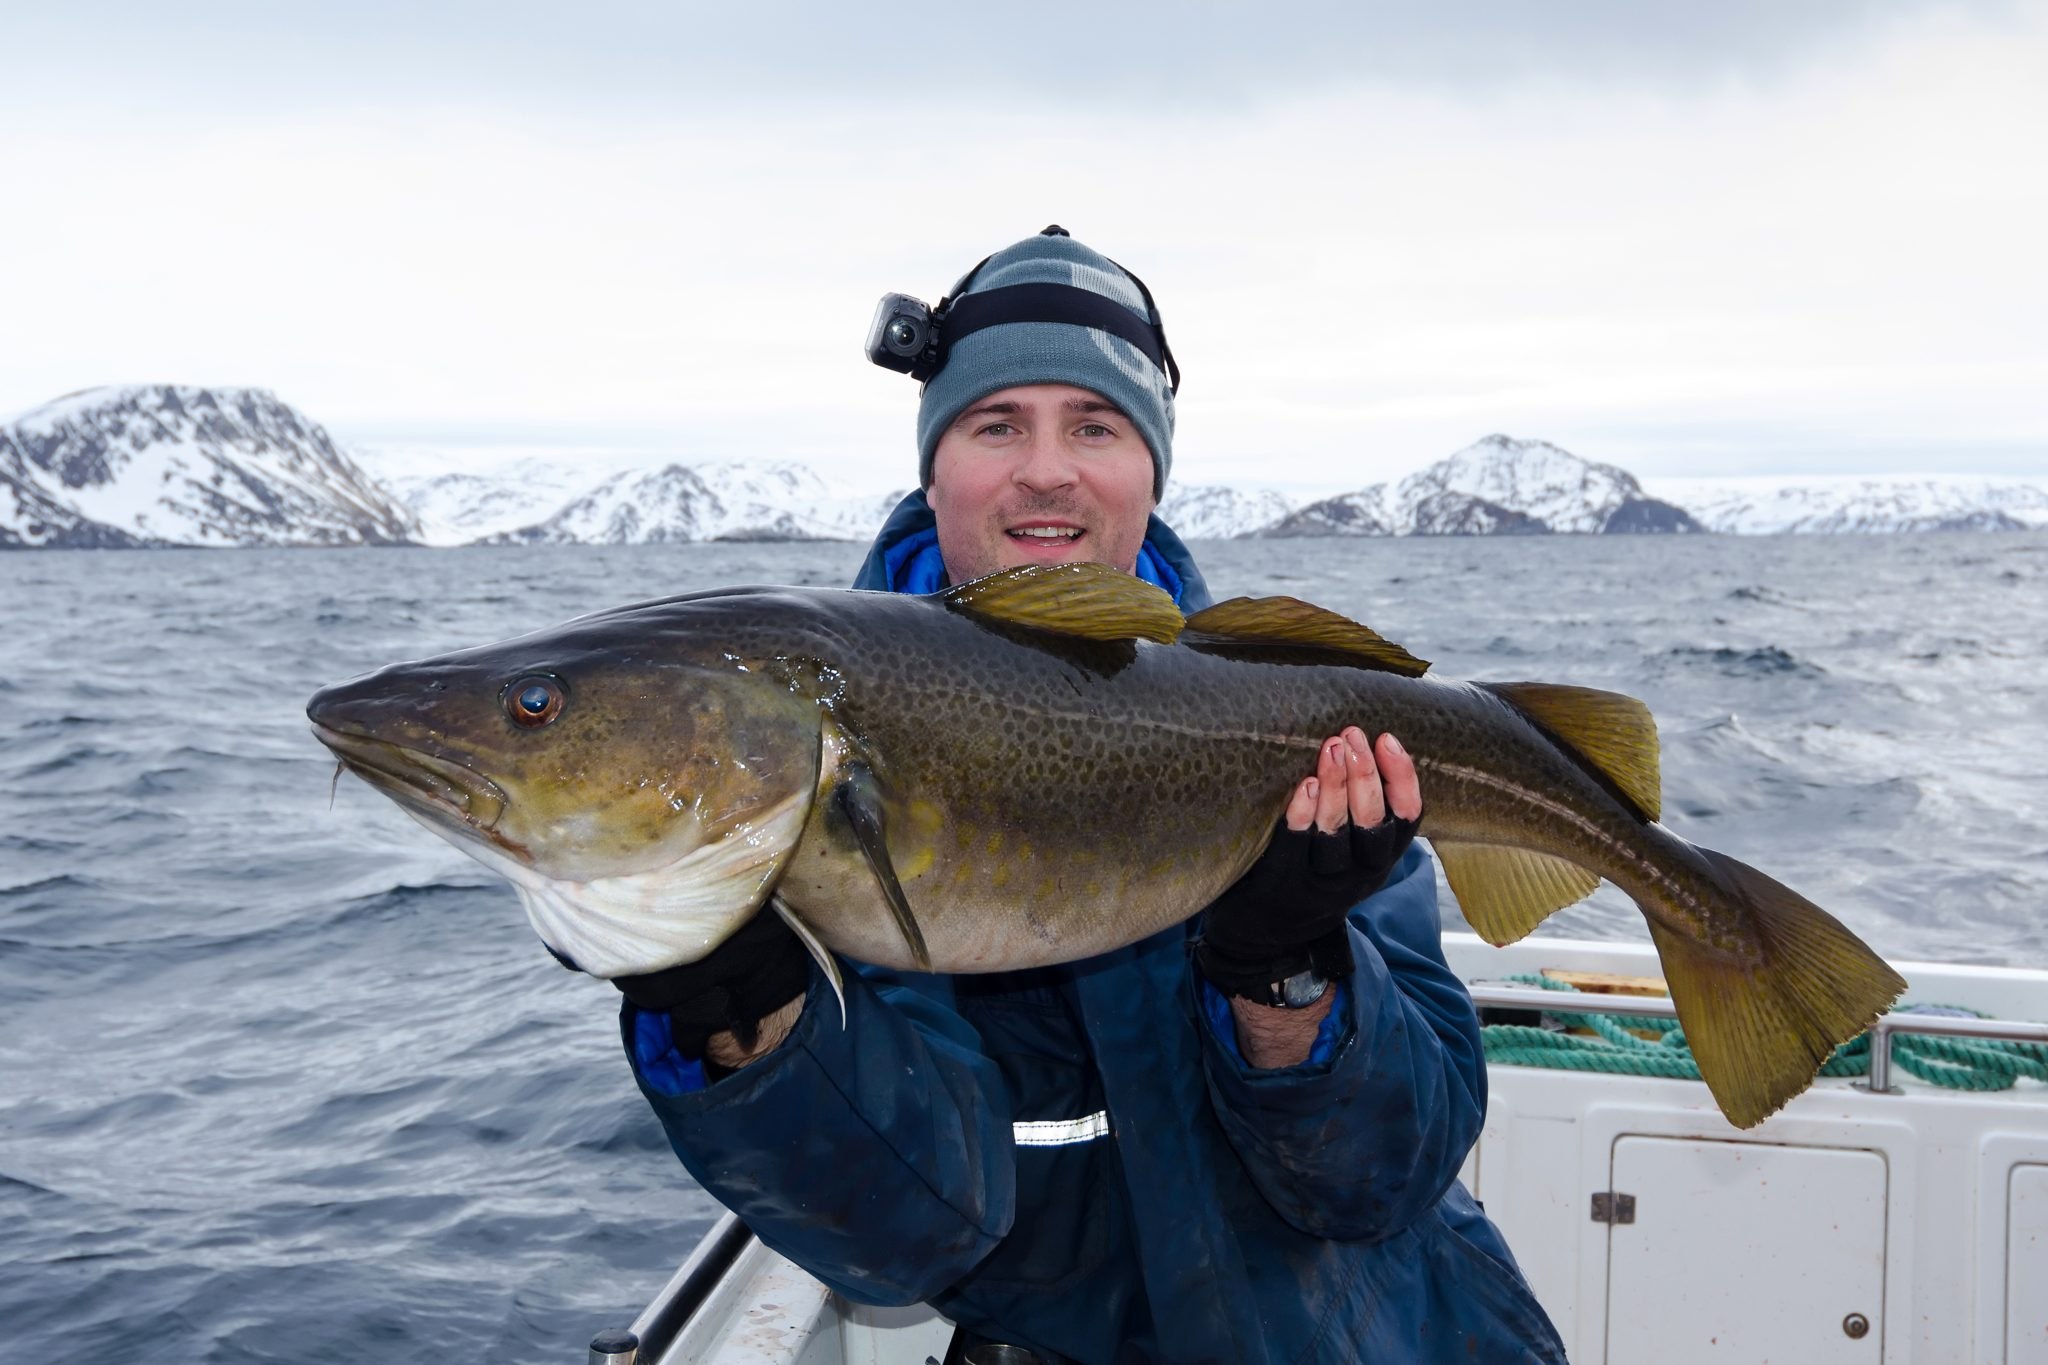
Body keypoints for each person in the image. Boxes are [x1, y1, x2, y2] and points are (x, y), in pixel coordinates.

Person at [611, 228, 1568, 1364]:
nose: (1047, 468)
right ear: (933, 469)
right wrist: (739, 1012)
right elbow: (899, 1240)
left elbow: (1383, 1179)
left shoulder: (1309, 726)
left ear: (1150, 472)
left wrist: (1288, 968)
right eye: (995, 423)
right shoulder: (815, 757)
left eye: (1095, 426)